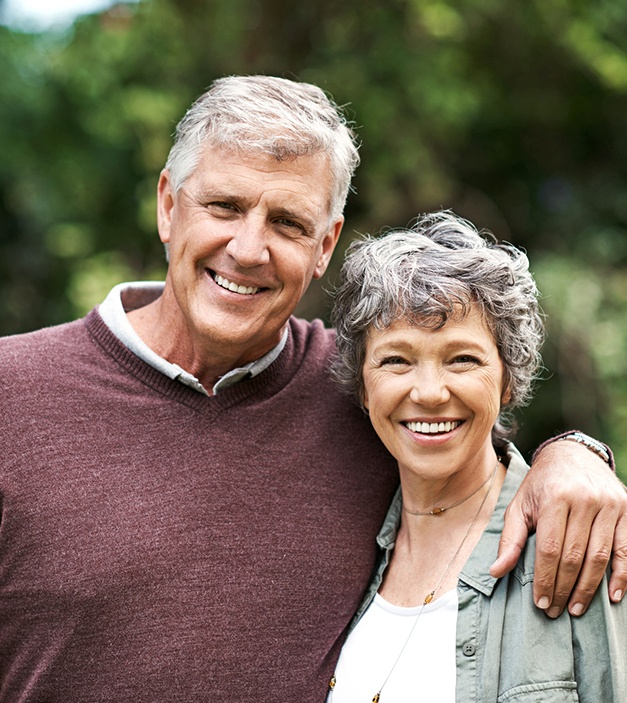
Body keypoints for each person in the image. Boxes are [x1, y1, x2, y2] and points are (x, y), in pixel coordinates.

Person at [0, 76, 625, 702]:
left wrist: (572, 454)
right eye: (224, 206)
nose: (247, 249)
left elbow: (468, 428)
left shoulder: (355, 389)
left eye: (288, 222)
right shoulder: (12, 393)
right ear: (168, 204)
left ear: (325, 244)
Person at [327, 210, 627, 702]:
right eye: (396, 360)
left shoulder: (577, 544)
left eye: (462, 359)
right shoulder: (344, 552)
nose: (427, 392)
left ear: (508, 379)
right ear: (362, 387)